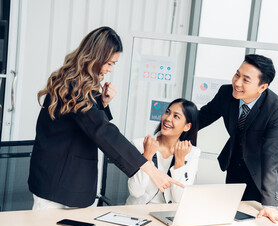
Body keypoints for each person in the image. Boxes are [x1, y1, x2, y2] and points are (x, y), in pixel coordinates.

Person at [28, 26, 182, 210]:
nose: (110, 69)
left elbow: (87, 122)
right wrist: (148, 167)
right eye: (109, 63)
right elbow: (102, 131)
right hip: (56, 184)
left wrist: (103, 103)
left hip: (70, 181)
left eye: (113, 64)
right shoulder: (73, 86)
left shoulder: (82, 83)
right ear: (94, 57)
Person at [198, 54, 278, 225]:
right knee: (231, 215)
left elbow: (270, 155)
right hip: (236, 163)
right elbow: (202, 117)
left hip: (263, 172)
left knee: (256, 221)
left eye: (246, 80)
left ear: (262, 87)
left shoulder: (276, 109)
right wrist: (173, 131)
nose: (237, 83)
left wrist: (269, 203)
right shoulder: (226, 93)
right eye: (237, 74)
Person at [126, 98, 200, 205]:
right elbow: (136, 191)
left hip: (167, 215)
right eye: (167, 112)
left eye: (176, 116)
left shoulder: (192, 153)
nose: (168, 118)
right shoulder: (139, 144)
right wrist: (146, 157)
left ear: (187, 126)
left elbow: (180, 198)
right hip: (137, 212)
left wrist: (179, 161)